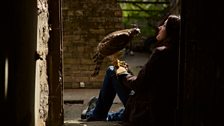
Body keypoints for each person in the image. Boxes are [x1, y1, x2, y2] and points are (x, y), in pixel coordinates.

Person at [81, 14, 181, 126]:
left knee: (111, 70)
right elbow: (148, 80)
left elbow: (138, 84)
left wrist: (123, 73)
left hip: (149, 110)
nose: (160, 27)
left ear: (171, 32)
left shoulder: (161, 53)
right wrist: (127, 72)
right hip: (160, 107)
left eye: (164, 25)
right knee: (120, 113)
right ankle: (96, 111)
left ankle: (94, 112)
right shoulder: (178, 52)